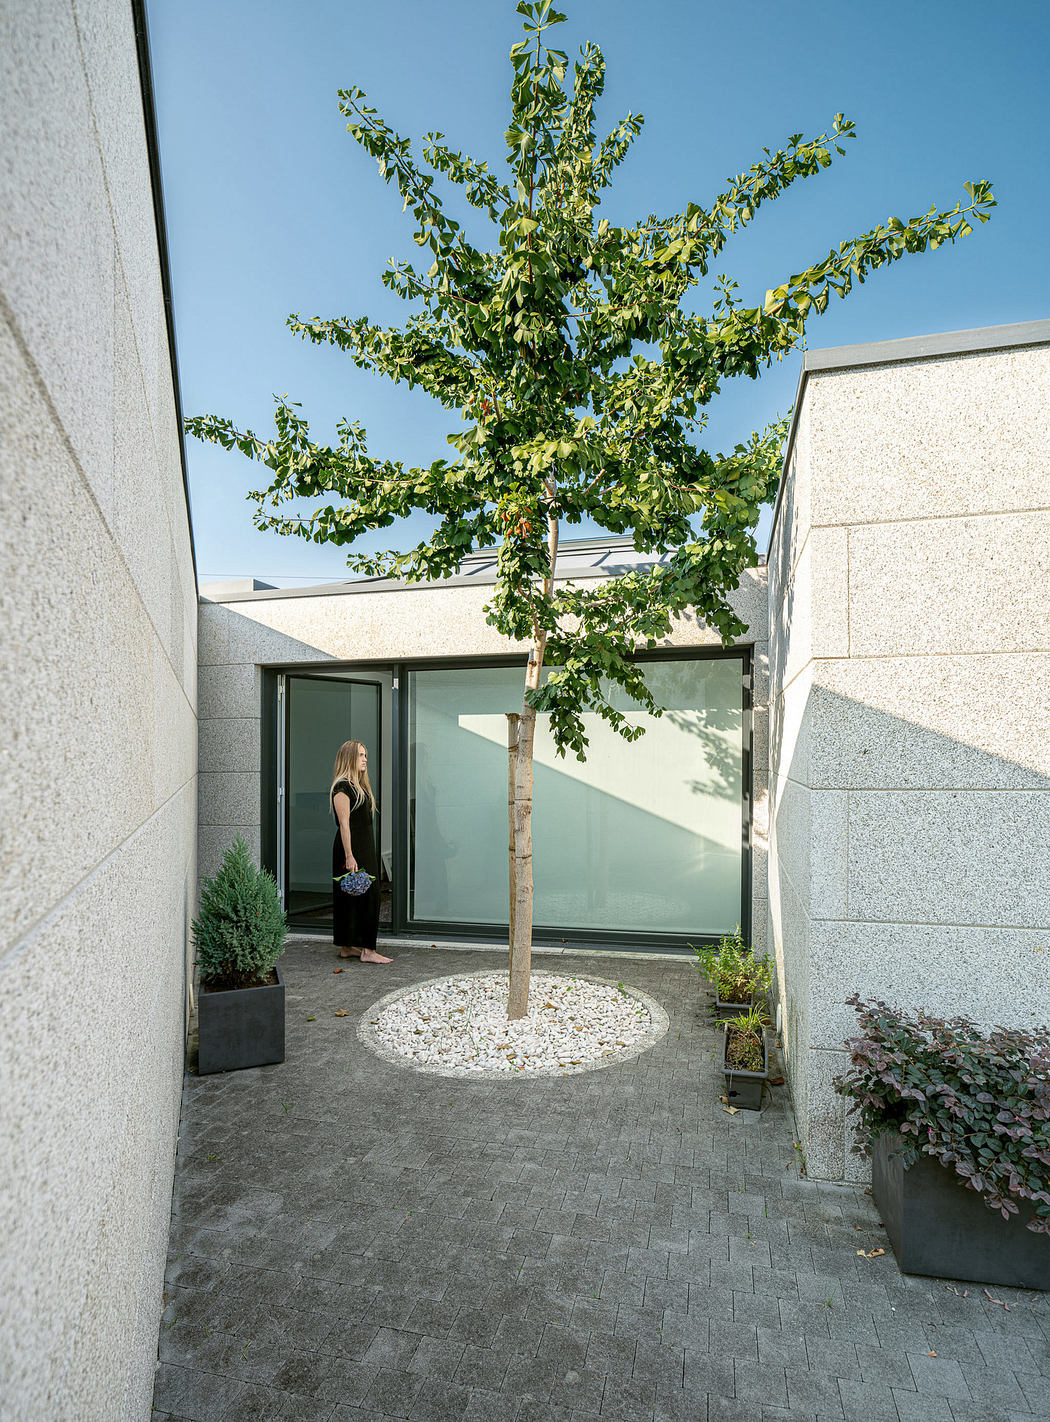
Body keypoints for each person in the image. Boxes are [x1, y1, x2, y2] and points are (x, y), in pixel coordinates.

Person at [331, 740, 391, 963]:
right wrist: (349, 855)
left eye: (366, 755)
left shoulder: (360, 786)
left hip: (363, 848)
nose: (365, 759)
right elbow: (344, 824)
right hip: (351, 850)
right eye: (360, 755)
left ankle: (347, 947)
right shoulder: (342, 787)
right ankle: (368, 951)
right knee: (366, 897)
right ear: (349, 758)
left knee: (357, 898)